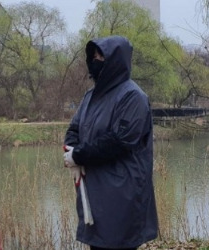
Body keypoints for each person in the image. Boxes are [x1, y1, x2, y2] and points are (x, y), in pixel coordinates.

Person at [63, 35, 158, 250]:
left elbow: (120, 141)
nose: (95, 60)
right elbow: (74, 128)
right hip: (94, 190)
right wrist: (71, 149)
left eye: (101, 56)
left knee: (118, 244)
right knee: (97, 245)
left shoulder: (133, 97)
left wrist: (79, 155)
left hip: (122, 193)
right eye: (93, 55)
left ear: (116, 60)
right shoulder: (90, 96)